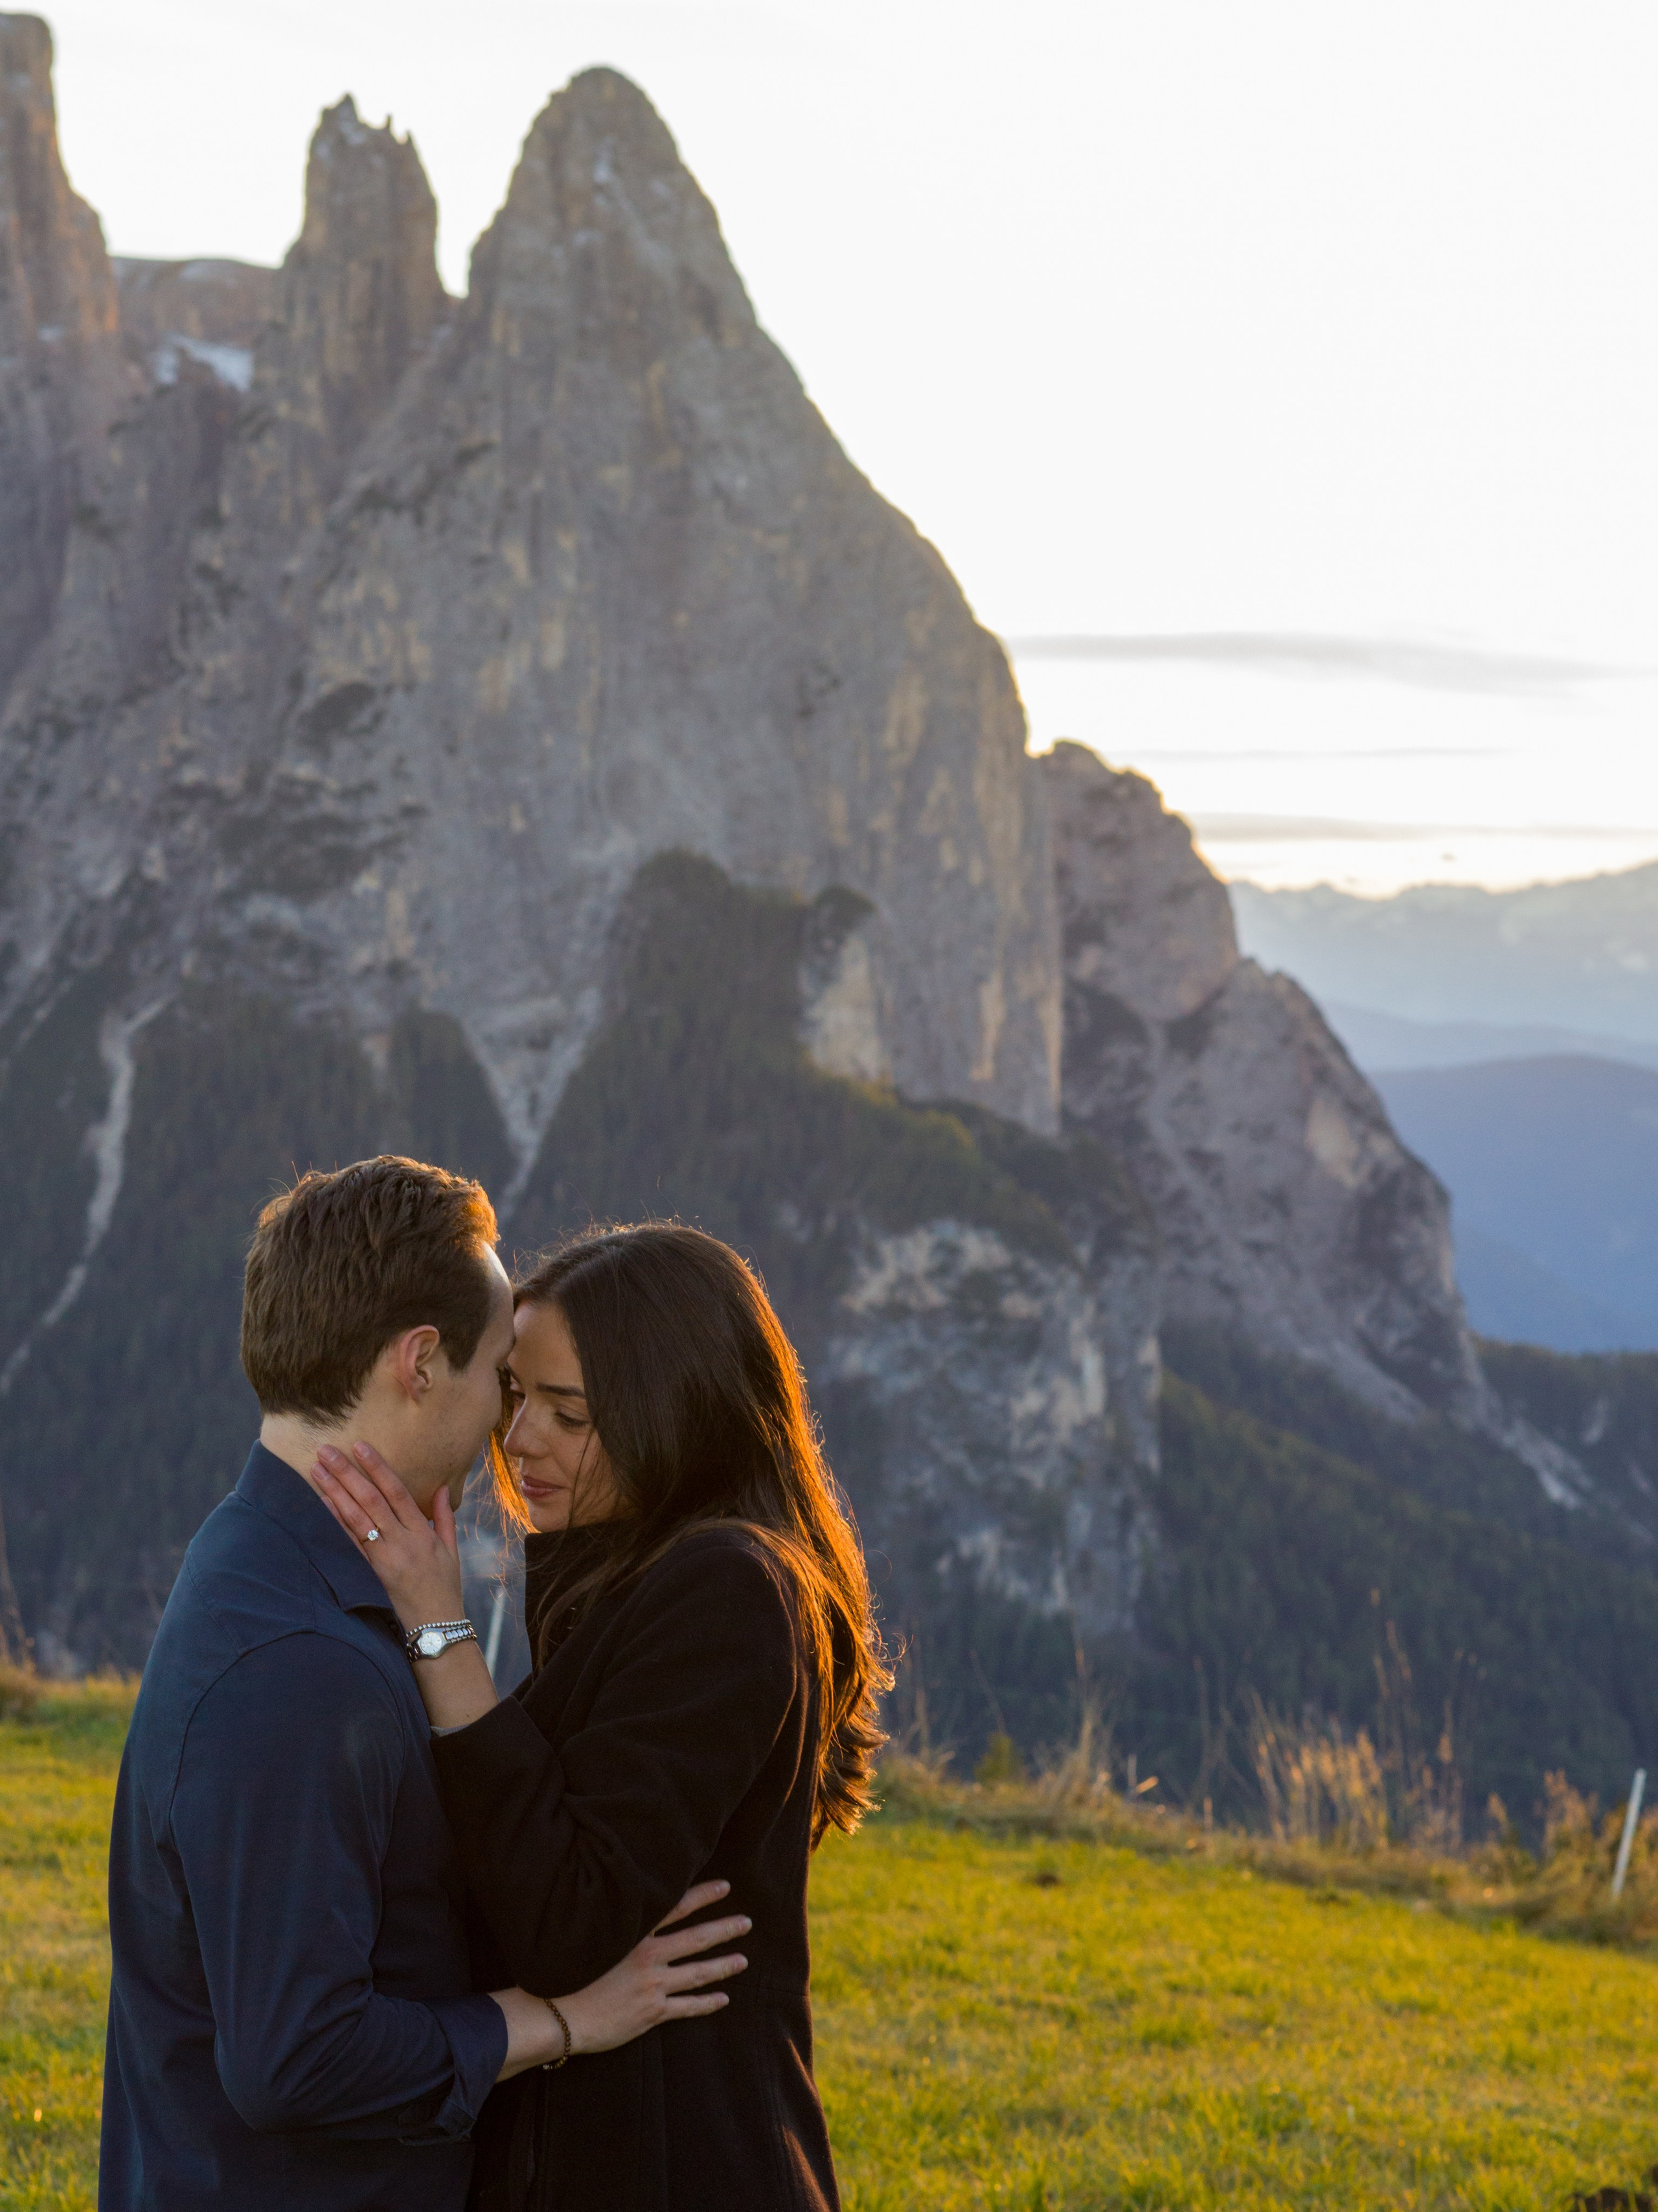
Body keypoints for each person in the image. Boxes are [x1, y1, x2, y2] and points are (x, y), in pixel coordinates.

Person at [101, 1160, 750, 2212]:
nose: (509, 1414)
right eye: (501, 1372)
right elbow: (297, 2056)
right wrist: (562, 2020)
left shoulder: (262, 1561)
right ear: (419, 1362)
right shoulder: (300, 1668)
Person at [312, 1222, 890, 2212]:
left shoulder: (728, 1589)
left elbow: (564, 1920)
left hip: (676, 2166)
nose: (521, 1438)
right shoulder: (628, 1578)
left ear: (677, 1417)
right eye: (517, 1395)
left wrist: (438, 1630)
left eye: (569, 1416)